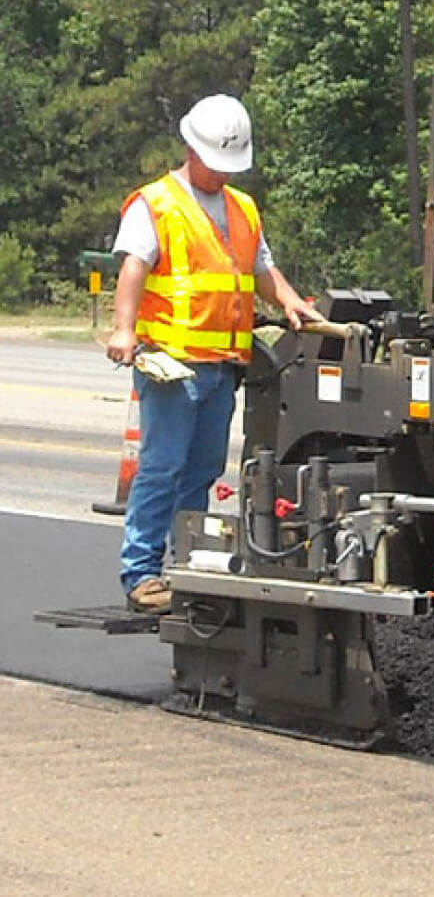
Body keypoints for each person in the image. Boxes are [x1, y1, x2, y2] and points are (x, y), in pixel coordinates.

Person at [106, 93, 321, 615]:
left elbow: (262, 270)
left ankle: (186, 566)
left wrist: (290, 301)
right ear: (190, 148)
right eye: (214, 163)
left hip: (223, 364)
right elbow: (134, 267)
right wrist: (123, 329)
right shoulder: (156, 202)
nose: (221, 175)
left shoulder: (242, 208)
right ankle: (141, 573)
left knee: (202, 468)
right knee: (163, 466)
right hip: (172, 363)